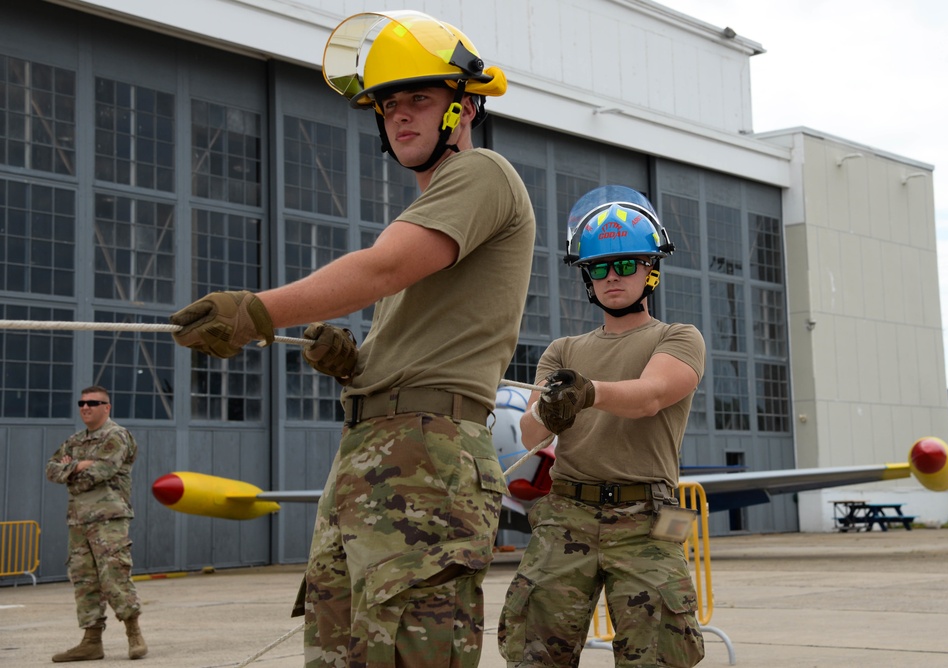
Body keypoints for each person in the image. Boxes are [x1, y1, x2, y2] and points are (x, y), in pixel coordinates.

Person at [168, 10, 535, 668]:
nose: (400, 116)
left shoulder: (483, 177)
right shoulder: (427, 214)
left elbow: (382, 268)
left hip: (429, 460)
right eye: (388, 104)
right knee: (341, 653)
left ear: (466, 104)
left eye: (419, 97)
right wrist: (356, 365)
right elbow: (418, 328)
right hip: (376, 455)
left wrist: (257, 311)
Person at [497, 186, 707, 667]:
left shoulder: (677, 338)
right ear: (587, 277)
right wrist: (549, 410)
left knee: (656, 656)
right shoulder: (562, 351)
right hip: (566, 514)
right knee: (534, 654)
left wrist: (588, 392)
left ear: (651, 270)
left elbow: (651, 396)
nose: (612, 277)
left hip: (647, 521)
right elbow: (532, 436)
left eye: (627, 265)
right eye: (598, 268)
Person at [45, 385, 147, 662]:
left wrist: (73, 470)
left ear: (107, 407)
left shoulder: (116, 435)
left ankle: (134, 633)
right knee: (84, 579)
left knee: (115, 574)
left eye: (93, 402)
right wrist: (78, 465)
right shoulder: (75, 440)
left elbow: (104, 470)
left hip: (109, 519)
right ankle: (91, 641)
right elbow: (51, 470)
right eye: (82, 403)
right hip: (78, 520)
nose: (85, 407)